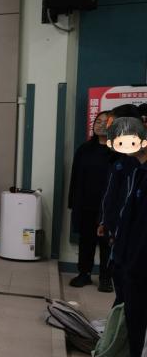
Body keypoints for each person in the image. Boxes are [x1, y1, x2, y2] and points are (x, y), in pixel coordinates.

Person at [104, 117, 147, 357]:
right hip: (129, 254)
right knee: (133, 312)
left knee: (140, 315)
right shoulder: (139, 171)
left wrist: (134, 262)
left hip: (140, 260)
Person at [98, 104, 143, 304]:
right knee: (122, 287)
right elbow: (113, 196)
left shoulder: (138, 166)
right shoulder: (122, 160)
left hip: (133, 244)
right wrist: (106, 222)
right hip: (118, 236)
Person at [68, 111, 115, 291]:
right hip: (86, 204)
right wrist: (73, 201)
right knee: (86, 241)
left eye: (105, 122)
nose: (100, 125)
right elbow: (75, 177)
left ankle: (105, 278)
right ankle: (84, 274)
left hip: (108, 206)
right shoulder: (84, 149)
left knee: (106, 243)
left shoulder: (117, 152)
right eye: (98, 121)